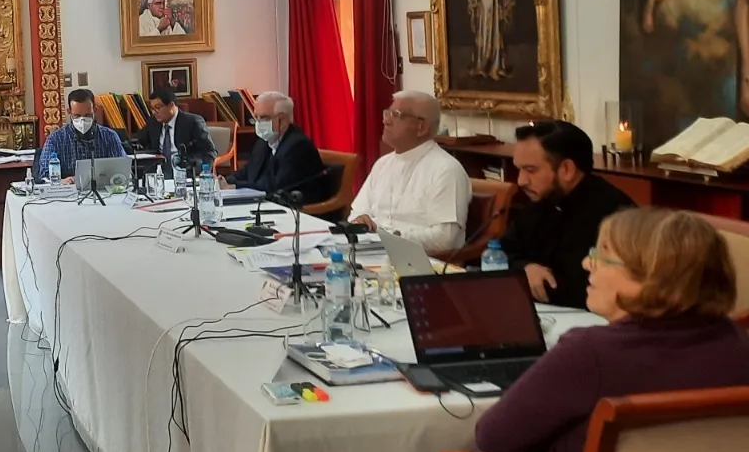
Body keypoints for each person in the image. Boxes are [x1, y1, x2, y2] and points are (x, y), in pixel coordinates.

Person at [465, 208, 749, 452]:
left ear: (650, 278)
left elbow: (495, 439)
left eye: (602, 256)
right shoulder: (738, 345)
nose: (587, 264)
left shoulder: (590, 353)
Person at [498, 121, 634, 308]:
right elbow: (502, 251)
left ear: (567, 169)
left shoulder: (617, 215)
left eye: (531, 170)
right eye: (518, 169)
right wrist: (525, 268)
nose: (521, 181)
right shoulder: (539, 202)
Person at [347, 91, 471, 253]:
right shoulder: (383, 164)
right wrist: (359, 220)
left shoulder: (446, 170)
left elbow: (445, 238)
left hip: (418, 259)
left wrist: (388, 237)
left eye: (396, 115)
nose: (386, 121)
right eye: (387, 113)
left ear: (421, 127)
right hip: (371, 251)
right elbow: (357, 212)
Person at [223, 92, 330, 205]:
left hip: (296, 209)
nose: (258, 123)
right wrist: (227, 180)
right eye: (256, 118)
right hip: (268, 204)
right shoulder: (263, 142)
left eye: (263, 118)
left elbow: (275, 187)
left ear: (282, 120)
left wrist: (235, 185)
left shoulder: (298, 146)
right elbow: (248, 171)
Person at [35, 88, 127, 182]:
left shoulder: (110, 136)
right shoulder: (55, 139)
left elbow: (123, 170)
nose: (82, 120)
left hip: (103, 189)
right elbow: (44, 176)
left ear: (95, 111)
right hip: (68, 189)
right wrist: (60, 182)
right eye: (77, 116)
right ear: (69, 112)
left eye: (87, 115)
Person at [135, 87, 215, 180]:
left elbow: (209, 150)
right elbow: (138, 140)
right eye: (152, 109)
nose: (154, 112)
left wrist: (204, 173)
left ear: (171, 105)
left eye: (157, 108)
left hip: (186, 172)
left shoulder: (192, 122)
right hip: (158, 173)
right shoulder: (153, 122)